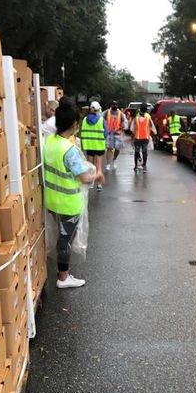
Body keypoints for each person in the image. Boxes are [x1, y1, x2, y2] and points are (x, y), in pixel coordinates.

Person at [44, 98, 104, 288]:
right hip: (68, 203)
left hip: (52, 201)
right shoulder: (69, 149)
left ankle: (62, 273)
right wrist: (98, 175)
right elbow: (84, 177)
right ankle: (63, 277)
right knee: (65, 241)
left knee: (61, 238)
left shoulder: (50, 142)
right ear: (74, 124)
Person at [80, 101, 107, 190]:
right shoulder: (101, 119)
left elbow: (81, 132)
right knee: (98, 166)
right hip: (99, 146)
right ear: (98, 109)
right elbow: (105, 133)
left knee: (90, 165)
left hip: (89, 145)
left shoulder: (84, 119)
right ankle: (99, 185)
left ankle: (90, 183)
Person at [130, 103, 157, 172]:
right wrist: (154, 133)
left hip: (138, 138)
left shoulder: (137, 117)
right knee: (144, 151)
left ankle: (136, 166)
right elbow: (152, 126)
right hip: (145, 138)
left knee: (137, 151)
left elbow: (132, 128)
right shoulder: (148, 117)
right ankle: (144, 165)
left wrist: (132, 135)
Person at [103, 101, 127, 171]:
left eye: (116, 105)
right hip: (109, 133)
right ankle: (108, 164)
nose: (115, 106)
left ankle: (114, 159)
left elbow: (124, 122)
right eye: (114, 105)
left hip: (118, 133)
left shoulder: (120, 113)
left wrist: (123, 126)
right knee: (109, 148)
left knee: (117, 149)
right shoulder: (106, 112)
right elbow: (102, 120)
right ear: (111, 105)